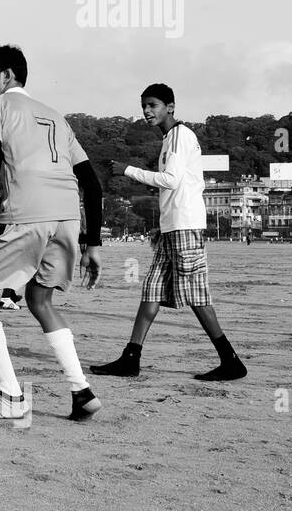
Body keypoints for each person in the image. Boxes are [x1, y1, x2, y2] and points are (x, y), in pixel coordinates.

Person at [0, 44, 104, 421]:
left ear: (6, 76)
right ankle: (81, 391)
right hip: (67, 218)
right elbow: (91, 182)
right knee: (41, 301)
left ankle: (11, 398)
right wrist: (92, 242)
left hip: (26, 214)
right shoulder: (57, 116)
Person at [92, 84, 246, 380]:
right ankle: (131, 357)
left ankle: (230, 360)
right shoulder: (170, 138)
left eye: (153, 105)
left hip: (185, 225)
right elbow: (174, 183)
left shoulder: (179, 136)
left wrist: (128, 170)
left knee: (197, 296)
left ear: (170, 107)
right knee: (151, 289)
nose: (147, 111)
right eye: (144, 106)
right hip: (173, 226)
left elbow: (171, 180)